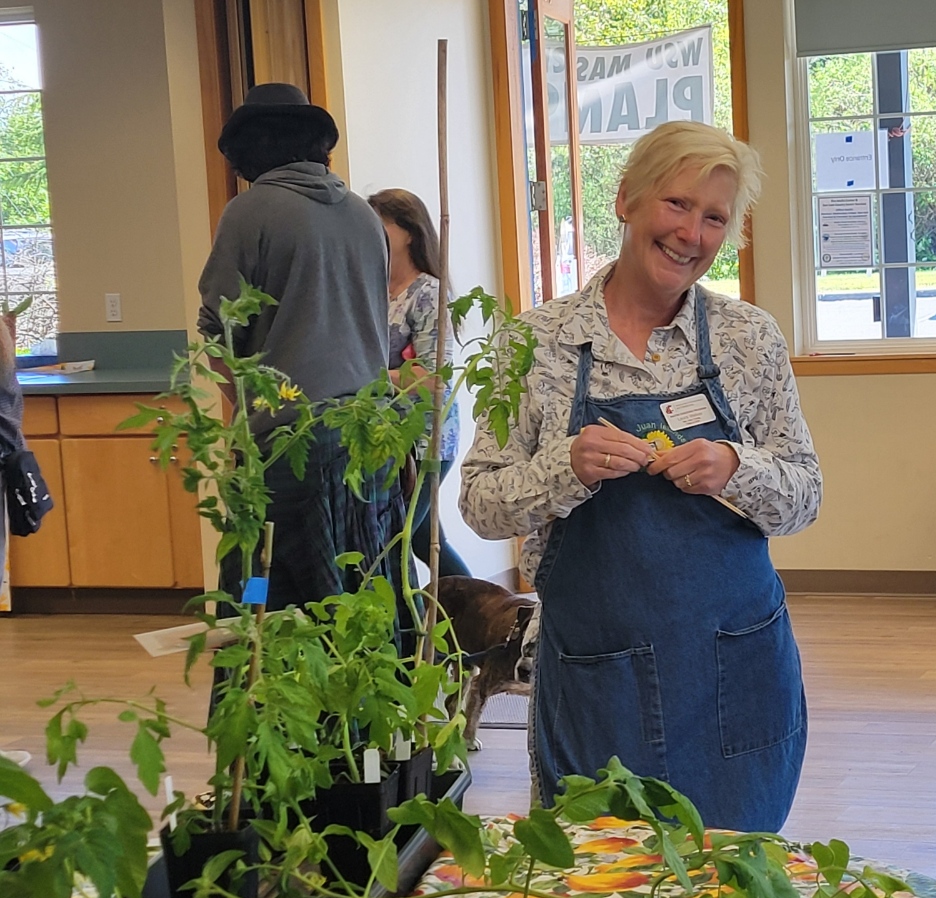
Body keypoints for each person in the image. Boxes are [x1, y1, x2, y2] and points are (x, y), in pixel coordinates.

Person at [459, 121, 821, 831]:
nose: (692, 233)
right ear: (626, 199)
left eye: (715, 217)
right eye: (677, 205)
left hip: (736, 670)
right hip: (599, 679)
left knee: (733, 869)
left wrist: (734, 467)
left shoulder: (749, 338)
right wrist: (564, 468)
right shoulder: (535, 343)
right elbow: (479, 505)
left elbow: (804, 495)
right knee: (604, 867)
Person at [197, 82, 403, 612]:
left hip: (290, 449)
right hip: (369, 441)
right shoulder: (363, 215)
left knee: (258, 587)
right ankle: (363, 695)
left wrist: (246, 418)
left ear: (252, 147)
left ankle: (260, 691)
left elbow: (219, 331)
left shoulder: (250, 212)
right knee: (361, 590)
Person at [368, 188, 469, 579]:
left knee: (399, 536)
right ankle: (478, 618)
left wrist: (372, 378)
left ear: (409, 232)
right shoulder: (377, 291)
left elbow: (434, 379)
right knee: (427, 538)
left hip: (426, 438)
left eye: (382, 227)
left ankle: (421, 632)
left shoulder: (428, 293)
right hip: (387, 436)